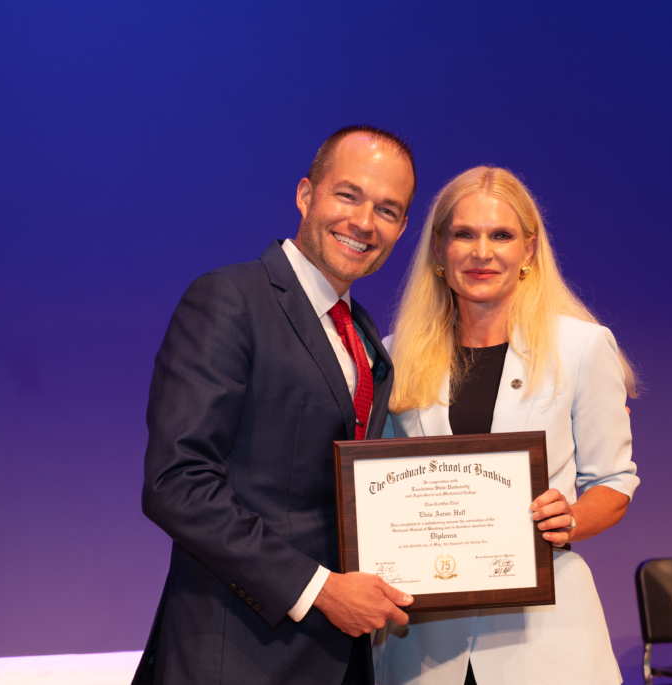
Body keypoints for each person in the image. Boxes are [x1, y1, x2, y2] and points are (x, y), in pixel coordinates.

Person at [132, 125, 418, 685]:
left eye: (387, 210)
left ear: (403, 227)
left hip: (342, 659)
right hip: (238, 656)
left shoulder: (363, 334)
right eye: (348, 195)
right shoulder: (230, 299)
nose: (364, 222)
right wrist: (320, 589)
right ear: (306, 195)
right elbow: (177, 482)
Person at [372, 166, 639, 685]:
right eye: (464, 234)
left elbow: (613, 483)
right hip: (424, 645)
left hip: (546, 638)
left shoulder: (582, 348)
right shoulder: (394, 356)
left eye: (501, 236)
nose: (482, 252)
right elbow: (376, 488)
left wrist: (570, 519)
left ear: (529, 251)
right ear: (438, 249)